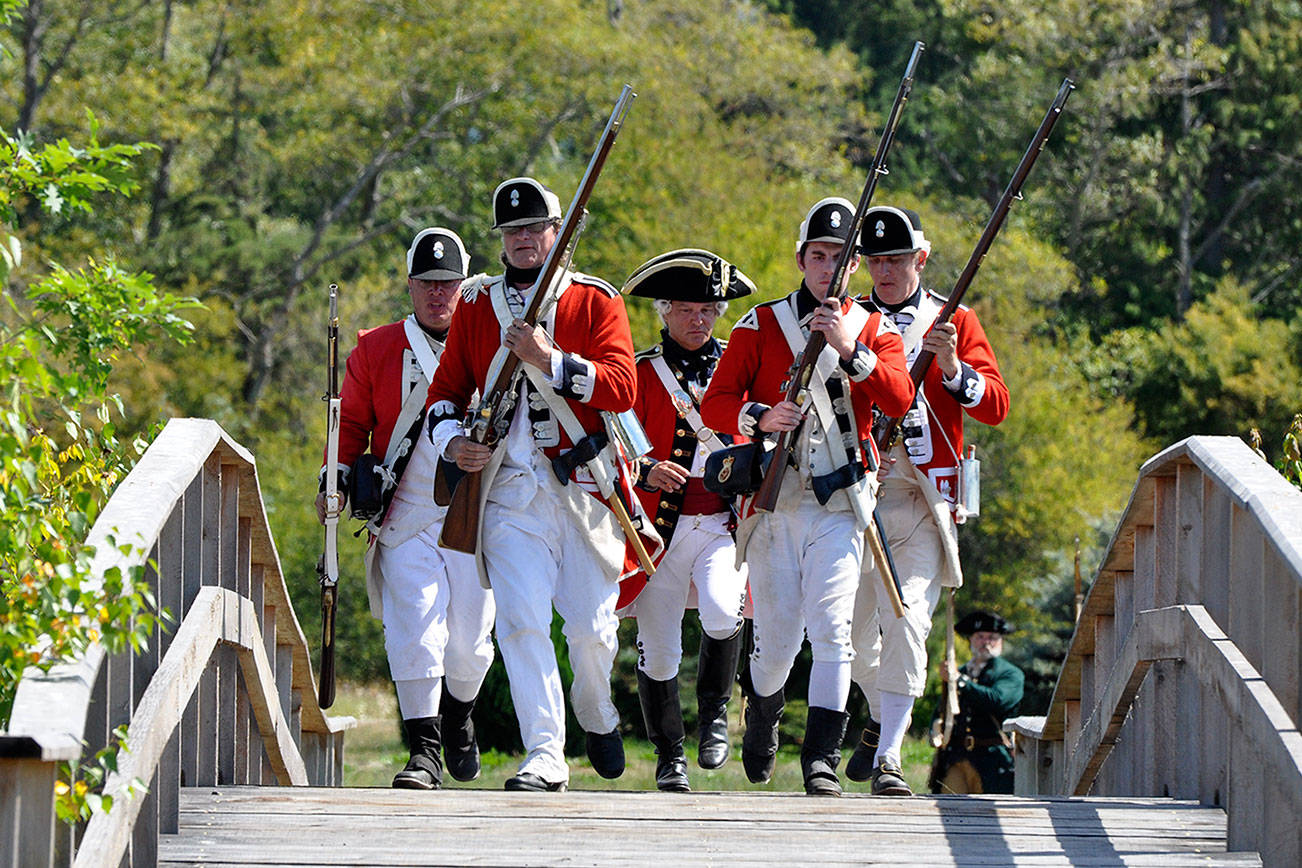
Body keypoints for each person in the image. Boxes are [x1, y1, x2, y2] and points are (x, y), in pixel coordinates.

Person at [425, 177, 643, 792]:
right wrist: (453, 443)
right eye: (512, 231)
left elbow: (623, 388)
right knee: (520, 623)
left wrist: (550, 361)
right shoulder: (474, 305)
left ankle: (596, 712)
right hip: (508, 493)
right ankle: (546, 753)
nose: (523, 239)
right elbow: (445, 395)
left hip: (584, 490)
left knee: (593, 633)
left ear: (557, 232)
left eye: (534, 228)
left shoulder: (595, 301)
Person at [700, 198, 914, 796]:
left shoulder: (874, 329)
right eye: (818, 255)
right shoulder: (760, 325)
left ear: (853, 267)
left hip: (842, 503)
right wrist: (761, 416)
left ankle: (820, 758)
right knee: (775, 646)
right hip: (776, 504)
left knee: (832, 629)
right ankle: (763, 714)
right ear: (801, 259)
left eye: (840, 258)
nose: (828, 268)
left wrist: (851, 349)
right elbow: (716, 404)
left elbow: (899, 400)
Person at [314, 227, 496, 790]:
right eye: (427, 283)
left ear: (464, 286)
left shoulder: (491, 342)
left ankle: (460, 715)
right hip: (405, 512)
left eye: (448, 283)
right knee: (415, 630)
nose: (439, 295)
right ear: (410, 286)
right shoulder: (376, 347)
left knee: (470, 644)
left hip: (477, 510)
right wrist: (336, 481)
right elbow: (349, 429)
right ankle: (425, 753)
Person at [846, 205, 1011, 796]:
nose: (884, 270)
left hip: (922, 500)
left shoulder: (954, 319)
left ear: (920, 257)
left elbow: (994, 404)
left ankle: (889, 754)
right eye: (874, 259)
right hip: (856, 492)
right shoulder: (847, 320)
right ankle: (880, 711)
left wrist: (949, 366)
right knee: (847, 634)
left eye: (895, 258)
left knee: (908, 619)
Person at [621, 249, 755, 792]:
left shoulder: (739, 367)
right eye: (687, 309)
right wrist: (648, 469)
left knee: (725, 614)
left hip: (721, 522)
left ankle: (716, 716)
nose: (698, 320)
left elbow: (762, 433)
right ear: (664, 311)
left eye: (708, 309)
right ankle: (669, 755)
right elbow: (619, 443)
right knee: (659, 649)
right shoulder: (639, 370)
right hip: (660, 530)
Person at [930, 610, 1024, 794]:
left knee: (987, 815)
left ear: (1000, 641)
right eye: (980, 636)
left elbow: (998, 701)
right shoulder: (960, 672)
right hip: (956, 757)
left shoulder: (1010, 673)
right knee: (949, 809)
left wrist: (960, 681)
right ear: (971, 640)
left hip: (992, 760)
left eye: (992, 637)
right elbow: (943, 706)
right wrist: (935, 725)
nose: (986, 642)